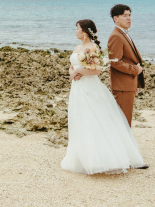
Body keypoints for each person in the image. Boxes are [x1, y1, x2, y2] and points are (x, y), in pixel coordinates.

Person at [60, 19, 145, 175]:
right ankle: (82, 157)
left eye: (77, 29)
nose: (76, 31)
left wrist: (78, 71)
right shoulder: (77, 48)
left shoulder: (92, 47)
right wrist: (73, 73)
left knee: (93, 119)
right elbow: (72, 66)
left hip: (90, 87)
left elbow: (96, 71)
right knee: (79, 119)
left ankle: (102, 158)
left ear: (85, 32)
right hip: (77, 87)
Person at [107, 4, 144, 127]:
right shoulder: (116, 36)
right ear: (115, 18)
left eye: (129, 15)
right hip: (122, 86)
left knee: (125, 122)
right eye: (125, 16)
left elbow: (128, 59)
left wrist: (135, 82)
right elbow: (114, 62)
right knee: (123, 123)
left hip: (128, 84)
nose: (129, 18)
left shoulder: (124, 34)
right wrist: (135, 70)